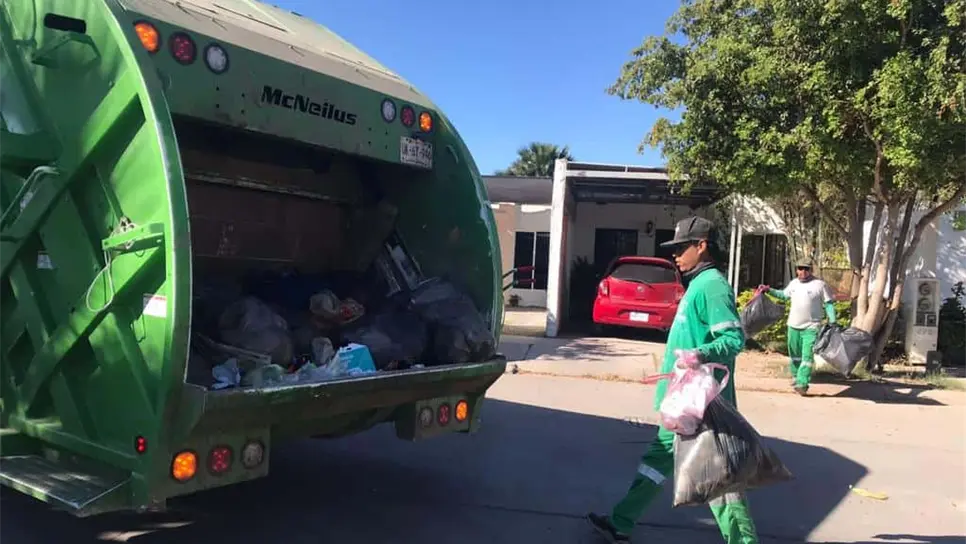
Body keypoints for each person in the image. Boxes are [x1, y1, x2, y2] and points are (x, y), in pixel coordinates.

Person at [587, 216, 759, 544]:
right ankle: (621, 522)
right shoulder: (697, 284)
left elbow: (734, 340)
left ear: (702, 245)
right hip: (681, 403)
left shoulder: (713, 286)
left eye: (682, 248)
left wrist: (700, 354)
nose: (675, 255)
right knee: (656, 462)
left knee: (718, 478)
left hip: (702, 405)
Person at [759, 262, 836, 396]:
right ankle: (796, 378)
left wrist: (833, 320)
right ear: (797, 270)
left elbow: (829, 303)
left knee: (807, 356)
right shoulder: (794, 284)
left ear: (811, 270)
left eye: (806, 269)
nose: (803, 271)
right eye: (800, 269)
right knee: (794, 354)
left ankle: (802, 383)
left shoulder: (820, 285)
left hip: (811, 326)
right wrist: (768, 290)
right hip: (793, 325)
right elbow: (783, 295)